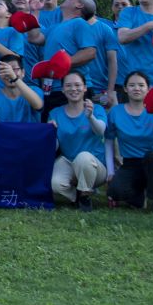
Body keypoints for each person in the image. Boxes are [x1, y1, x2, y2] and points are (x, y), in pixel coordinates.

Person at [105, 71, 153, 216]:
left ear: (148, 89)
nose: (137, 88)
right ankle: (140, 194)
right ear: (125, 89)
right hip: (131, 163)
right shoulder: (116, 112)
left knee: (152, 157)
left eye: (141, 85)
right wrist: (110, 171)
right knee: (115, 191)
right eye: (132, 85)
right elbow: (109, 141)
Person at [47, 70, 108, 209]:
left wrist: (90, 117)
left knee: (83, 157)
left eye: (77, 85)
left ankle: (85, 194)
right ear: (63, 89)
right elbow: (54, 147)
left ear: (85, 88)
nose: (73, 89)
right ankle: (77, 197)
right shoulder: (55, 113)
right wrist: (50, 133)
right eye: (68, 85)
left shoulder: (96, 109)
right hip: (69, 161)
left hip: (95, 166)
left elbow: (100, 131)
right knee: (54, 184)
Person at [0, 55, 44, 122]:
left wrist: (15, 78)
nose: (9, 73)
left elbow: (38, 106)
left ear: (23, 72)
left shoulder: (35, 91)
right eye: (4, 70)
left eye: (14, 69)